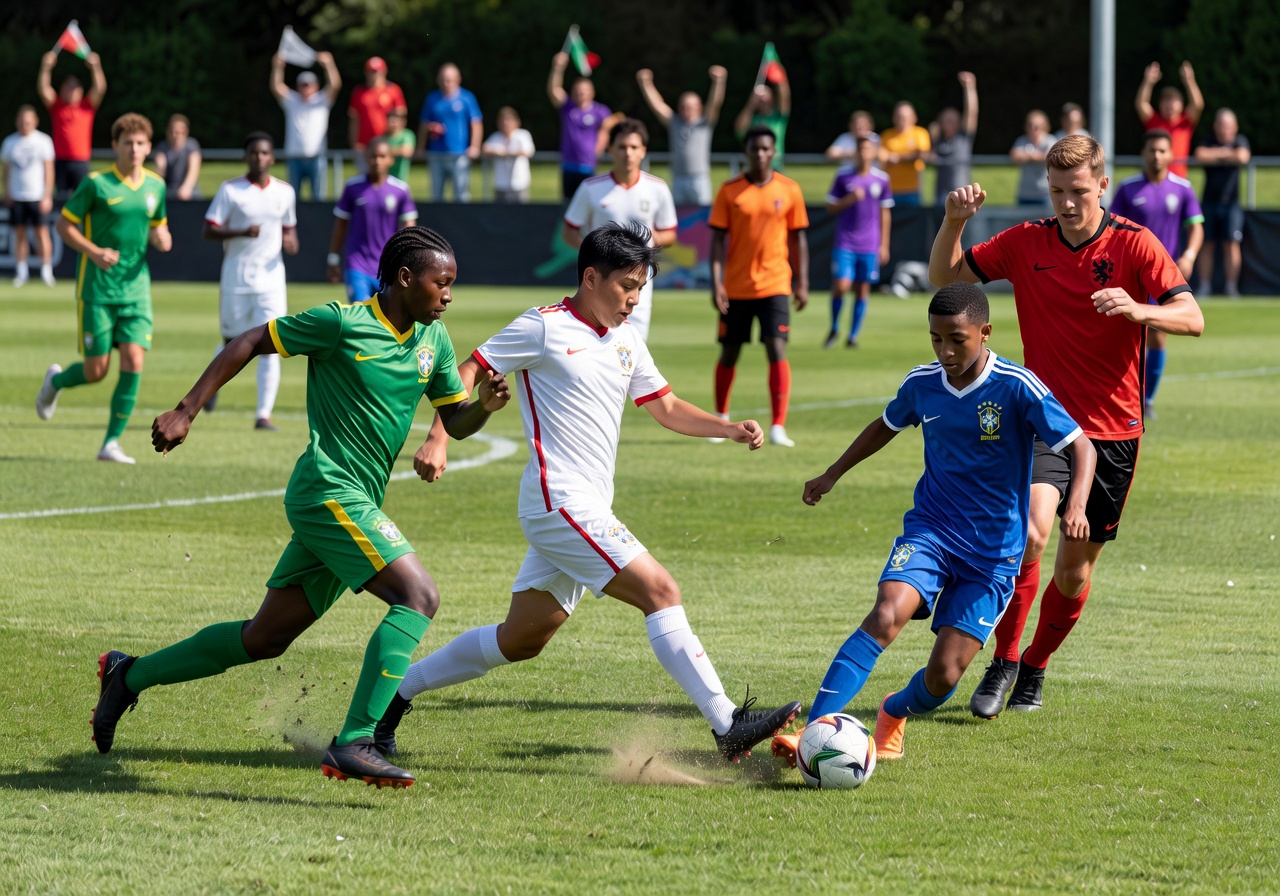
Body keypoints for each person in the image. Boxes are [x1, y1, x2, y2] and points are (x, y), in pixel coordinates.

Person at [92, 227, 511, 790]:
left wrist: (482, 406)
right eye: (443, 283)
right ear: (407, 279)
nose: (449, 296)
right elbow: (249, 341)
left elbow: (454, 421)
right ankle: (356, 741)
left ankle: (128, 674)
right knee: (419, 596)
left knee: (264, 639)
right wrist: (187, 409)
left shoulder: (433, 342)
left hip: (353, 501)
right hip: (328, 492)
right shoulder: (342, 322)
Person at [371, 221, 802, 764]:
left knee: (521, 639)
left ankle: (393, 694)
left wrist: (727, 427)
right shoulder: (543, 327)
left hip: (587, 507)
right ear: (592, 277)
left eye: (641, 288)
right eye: (627, 286)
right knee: (661, 591)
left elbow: (665, 406)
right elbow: (466, 371)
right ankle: (726, 723)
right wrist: (440, 437)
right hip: (559, 502)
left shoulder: (625, 339)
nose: (634, 299)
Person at [927, 136, 1204, 716]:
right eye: (1057, 192)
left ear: (1102, 185)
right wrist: (954, 222)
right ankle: (1003, 662)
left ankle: (1035, 665)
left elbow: (1192, 317)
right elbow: (945, 277)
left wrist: (1140, 309)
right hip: (1042, 421)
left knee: (1074, 577)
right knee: (1030, 535)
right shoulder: (1028, 242)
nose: (1067, 203)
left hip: (1112, 432)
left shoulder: (1136, 244)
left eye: (1078, 191)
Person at [772, 283, 1096, 766]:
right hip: (932, 531)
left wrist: (1078, 505)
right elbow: (886, 424)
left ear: (985, 333)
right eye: (935, 339)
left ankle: (893, 711)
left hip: (992, 555)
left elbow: (1081, 446)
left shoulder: (1017, 385)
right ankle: (813, 732)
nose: (945, 351)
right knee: (885, 614)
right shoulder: (922, 383)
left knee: (944, 677)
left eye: (956, 339)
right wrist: (832, 473)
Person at [36, 113, 172, 464]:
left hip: (136, 290)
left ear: (148, 146)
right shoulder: (96, 184)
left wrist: (162, 238)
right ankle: (56, 382)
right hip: (97, 290)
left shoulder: (156, 186)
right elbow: (65, 226)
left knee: (134, 359)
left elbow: (159, 227)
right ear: (115, 146)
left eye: (141, 143)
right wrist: (94, 252)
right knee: (97, 370)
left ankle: (110, 443)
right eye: (128, 143)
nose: (135, 149)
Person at [709, 126, 809, 448]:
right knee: (729, 352)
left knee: (776, 347)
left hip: (776, 284)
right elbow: (716, 241)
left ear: (774, 151)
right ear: (747, 152)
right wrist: (716, 283)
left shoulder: (790, 189)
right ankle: (720, 418)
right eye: (755, 150)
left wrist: (802, 282)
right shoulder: (729, 190)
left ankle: (778, 425)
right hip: (736, 287)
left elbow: (799, 239)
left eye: (767, 149)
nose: (761, 155)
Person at [202, 132, 299, 430]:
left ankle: (263, 415)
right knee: (232, 341)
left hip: (271, 281)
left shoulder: (285, 192)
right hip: (236, 277)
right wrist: (241, 232)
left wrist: (291, 241)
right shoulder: (231, 190)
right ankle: (210, 386)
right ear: (246, 156)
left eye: (265, 153)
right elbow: (209, 230)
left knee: (272, 342)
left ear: (272, 157)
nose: (259, 158)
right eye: (254, 153)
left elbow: (289, 229)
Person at [1110, 129, 1204, 417]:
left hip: (1164, 276)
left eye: (1162, 151)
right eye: (1152, 150)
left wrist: (1189, 255)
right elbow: (1111, 228)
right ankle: (1123, 394)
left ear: (1170, 154)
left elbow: (1196, 226)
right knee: (1126, 334)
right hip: (1129, 274)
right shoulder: (1127, 188)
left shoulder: (1182, 188)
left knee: (1158, 334)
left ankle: (1146, 400)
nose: (1157, 156)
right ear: (1144, 153)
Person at [561, 119, 677, 342]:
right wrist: (595, 256)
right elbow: (569, 232)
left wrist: (647, 241)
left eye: (634, 147)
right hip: (601, 278)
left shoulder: (657, 188)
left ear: (643, 151)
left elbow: (670, 234)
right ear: (610, 149)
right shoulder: (591, 188)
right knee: (595, 342)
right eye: (622, 147)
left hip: (639, 278)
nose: (628, 153)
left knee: (633, 344)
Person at [327, 137, 417, 303]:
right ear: (366, 157)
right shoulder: (352, 187)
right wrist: (333, 257)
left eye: (382, 156)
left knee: (389, 320)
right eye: (373, 156)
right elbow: (341, 224)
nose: (377, 161)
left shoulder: (400, 190)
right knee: (360, 315)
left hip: (389, 267)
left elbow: (408, 227)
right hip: (357, 264)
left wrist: (408, 259)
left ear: (391, 159)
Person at [824, 136, 893, 350]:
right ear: (855, 152)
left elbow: (885, 214)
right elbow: (830, 207)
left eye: (867, 149)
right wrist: (848, 200)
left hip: (869, 244)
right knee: (841, 285)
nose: (863, 153)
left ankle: (853, 336)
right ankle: (834, 327)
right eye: (860, 148)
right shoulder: (843, 176)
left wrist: (884, 245)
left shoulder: (881, 179)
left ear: (873, 153)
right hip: (845, 242)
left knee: (862, 289)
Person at [635, 65, 727, 206]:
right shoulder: (675, 122)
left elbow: (715, 104)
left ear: (699, 108)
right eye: (683, 106)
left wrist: (719, 81)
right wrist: (645, 84)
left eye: (691, 106)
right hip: (678, 177)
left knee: (702, 220)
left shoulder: (705, 122)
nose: (687, 110)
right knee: (680, 220)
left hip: (700, 178)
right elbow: (657, 106)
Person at [547, 53, 623, 198]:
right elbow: (554, 91)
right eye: (576, 92)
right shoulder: (568, 107)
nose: (580, 95)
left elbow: (610, 127)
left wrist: (598, 150)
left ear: (591, 93)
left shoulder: (600, 111)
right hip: (568, 165)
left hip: (588, 166)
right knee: (569, 207)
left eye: (583, 92)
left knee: (588, 206)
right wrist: (557, 68)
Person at [270, 51, 341, 200]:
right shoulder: (292, 101)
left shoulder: (322, 101)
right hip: (294, 157)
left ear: (316, 86)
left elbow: (335, 85)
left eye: (309, 85)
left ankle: (316, 224)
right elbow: (276, 86)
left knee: (318, 198)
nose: (306, 88)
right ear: (298, 86)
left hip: (317, 157)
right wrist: (278, 67)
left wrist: (329, 65)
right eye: (303, 85)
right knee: (293, 198)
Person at [1195, 108, 1250, 298]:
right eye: (1220, 125)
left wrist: (1217, 155)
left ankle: (1231, 287)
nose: (1223, 129)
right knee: (1206, 244)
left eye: (1227, 125)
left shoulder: (1241, 140)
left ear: (1234, 127)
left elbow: (1243, 156)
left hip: (1232, 204)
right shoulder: (1208, 140)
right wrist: (1227, 153)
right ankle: (1204, 286)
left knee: (1231, 244)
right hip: (1209, 202)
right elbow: (1201, 155)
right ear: (1215, 126)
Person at [37, 49, 106, 201]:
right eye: (68, 87)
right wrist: (46, 67)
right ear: (61, 90)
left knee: (83, 201)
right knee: (62, 203)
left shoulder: (87, 107)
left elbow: (99, 88)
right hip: (60, 162)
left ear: (81, 91)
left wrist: (96, 67)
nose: (71, 91)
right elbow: (44, 89)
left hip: (81, 162)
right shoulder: (57, 107)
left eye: (75, 88)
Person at [2, 105, 56, 287]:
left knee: (42, 233)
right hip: (17, 196)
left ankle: (46, 271)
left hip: (37, 195)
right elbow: (6, 171)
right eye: (22, 121)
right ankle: (21, 271)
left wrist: (47, 195)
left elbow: (49, 170)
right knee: (19, 234)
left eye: (28, 121)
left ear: (35, 122)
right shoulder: (9, 142)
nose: (24, 125)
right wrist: (7, 191)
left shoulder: (43, 141)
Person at [417, 63, 482, 202]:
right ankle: (437, 223)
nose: (447, 83)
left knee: (461, 194)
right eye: (444, 79)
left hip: (459, 154)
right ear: (438, 80)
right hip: (436, 153)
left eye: (450, 79)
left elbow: (476, 123)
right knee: (436, 195)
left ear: (458, 79)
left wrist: (475, 146)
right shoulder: (432, 98)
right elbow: (424, 124)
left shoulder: (467, 98)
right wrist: (422, 146)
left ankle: (462, 222)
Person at [1136, 61, 1204, 178]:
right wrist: (1148, 82)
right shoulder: (1154, 122)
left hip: (1178, 178)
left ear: (1182, 105)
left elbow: (1198, 105)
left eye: (1174, 102)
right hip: (1154, 177)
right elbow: (1141, 104)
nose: (1170, 106)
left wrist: (1190, 81)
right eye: (1166, 102)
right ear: (1160, 105)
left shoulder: (1185, 123)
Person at [348, 57, 407, 168]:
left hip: (387, 143)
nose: (375, 74)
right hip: (364, 144)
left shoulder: (393, 90)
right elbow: (354, 120)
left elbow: (401, 117)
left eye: (377, 71)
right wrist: (353, 143)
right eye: (372, 71)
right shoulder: (359, 92)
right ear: (366, 72)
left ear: (384, 71)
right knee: (366, 179)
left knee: (386, 179)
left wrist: (397, 140)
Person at [929, 72, 978, 200]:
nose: (948, 122)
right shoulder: (938, 140)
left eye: (952, 120)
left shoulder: (963, 138)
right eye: (945, 119)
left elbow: (972, 112)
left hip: (963, 194)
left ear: (959, 122)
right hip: (941, 195)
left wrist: (970, 87)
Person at [733, 76, 791, 171]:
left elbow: (784, 96)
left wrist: (779, 77)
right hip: (754, 166)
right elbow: (739, 129)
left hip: (775, 166)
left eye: (765, 96)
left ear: (772, 98)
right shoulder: (752, 119)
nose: (763, 100)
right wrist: (751, 104)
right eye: (760, 98)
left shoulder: (778, 118)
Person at [879, 102, 930, 206]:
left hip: (913, 189)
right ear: (894, 118)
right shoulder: (887, 135)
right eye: (899, 117)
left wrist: (898, 158)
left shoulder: (920, 133)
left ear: (914, 118)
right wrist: (910, 156)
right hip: (891, 189)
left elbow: (922, 154)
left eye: (905, 117)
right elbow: (882, 157)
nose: (902, 120)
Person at [481, 106, 535, 203]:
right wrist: (497, 152)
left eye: (508, 120)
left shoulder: (522, 135)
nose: (506, 124)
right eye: (503, 121)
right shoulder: (496, 137)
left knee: (521, 213)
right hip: (501, 183)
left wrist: (507, 153)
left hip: (520, 183)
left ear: (516, 122)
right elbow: (484, 148)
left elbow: (528, 151)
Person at [1010, 110, 1055, 209]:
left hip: (1045, 194)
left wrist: (1028, 156)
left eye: (1037, 126)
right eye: (1030, 125)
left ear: (1045, 127)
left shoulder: (1050, 141)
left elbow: (1049, 157)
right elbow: (1014, 156)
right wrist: (1036, 156)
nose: (1034, 129)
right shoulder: (1022, 140)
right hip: (1025, 193)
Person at [152, 114, 202, 201]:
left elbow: (193, 168)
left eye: (180, 132)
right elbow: (160, 173)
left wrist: (187, 187)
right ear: (168, 131)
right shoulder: (162, 147)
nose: (176, 135)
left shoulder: (191, 145)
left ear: (186, 131)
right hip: (169, 188)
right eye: (173, 131)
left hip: (190, 189)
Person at [385, 109, 415, 183]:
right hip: (385, 178)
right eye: (390, 121)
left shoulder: (407, 135)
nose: (392, 124)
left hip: (400, 178)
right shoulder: (382, 136)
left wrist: (386, 152)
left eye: (394, 121)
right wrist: (397, 150)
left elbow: (406, 151)